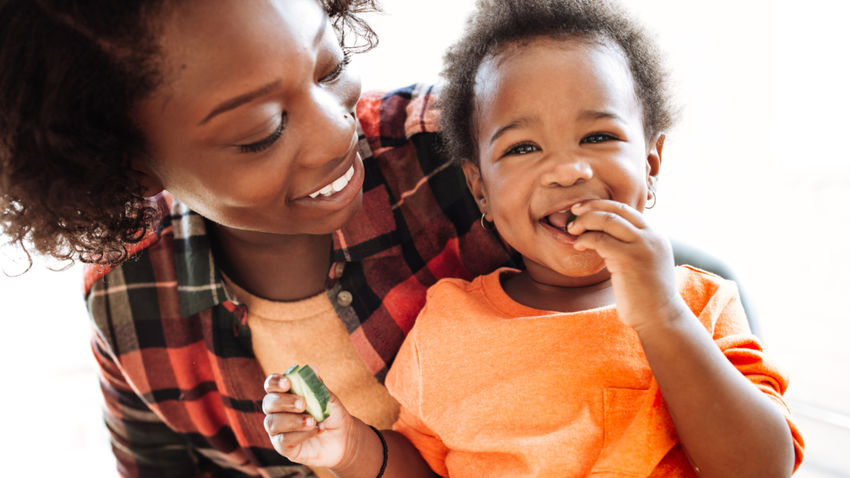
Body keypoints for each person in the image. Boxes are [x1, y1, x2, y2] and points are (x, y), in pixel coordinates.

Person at [260, 0, 805, 477]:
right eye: (522, 148)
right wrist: (352, 447)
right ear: (480, 192)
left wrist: (662, 316)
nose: (566, 171)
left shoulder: (701, 305)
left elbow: (762, 466)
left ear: (651, 163)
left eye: (598, 136)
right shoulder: (447, 323)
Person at [0, 1, 516, 477]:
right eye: (262, 131)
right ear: (128, 166)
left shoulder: (476, 158)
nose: (337, 130)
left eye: (330, 68)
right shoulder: (127, 298)